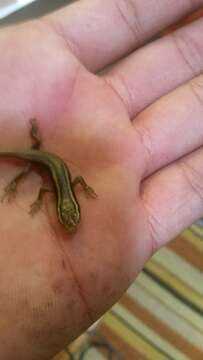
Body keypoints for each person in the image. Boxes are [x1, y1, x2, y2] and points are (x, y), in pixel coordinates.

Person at [0, 1, 202, 358]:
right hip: (41, 158)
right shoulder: (61, 188)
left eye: (68, 216)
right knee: (29, 162)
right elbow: (57, 184)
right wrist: (32, 197)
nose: (69, 221)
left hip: (46, 158)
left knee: (35, 159)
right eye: (69, 217)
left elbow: (64, 185)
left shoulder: (65, 190)